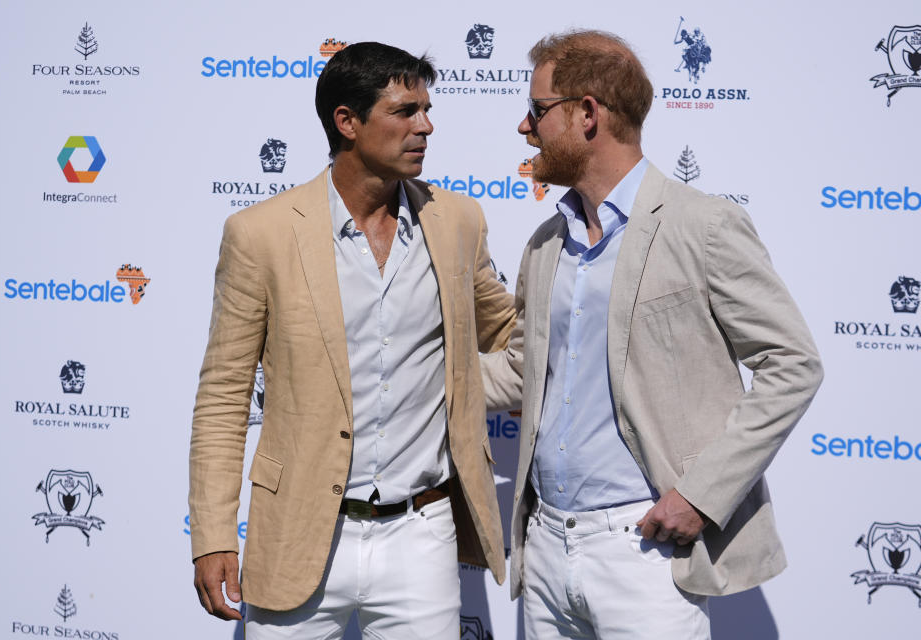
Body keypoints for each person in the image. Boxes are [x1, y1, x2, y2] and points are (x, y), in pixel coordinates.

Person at [483, 30, 823, 638]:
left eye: (537, 110)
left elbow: (793, 363)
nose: (523, 127)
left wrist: (700, 496)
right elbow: (520, 371)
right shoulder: (544, 244)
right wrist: (414, 370)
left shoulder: (704, 226)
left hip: (644, 554)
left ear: (587, 113)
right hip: (544, 548)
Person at [189, 41, 515, 639]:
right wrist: (211, 535)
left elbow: (515, 340)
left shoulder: (459, 221)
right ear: (347, 121)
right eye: (405, 111)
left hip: (422, 533)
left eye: (427, 108)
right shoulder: (259, 234)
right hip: (299, 530)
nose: (426, 125)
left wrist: (464, 384)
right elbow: (223, 397)